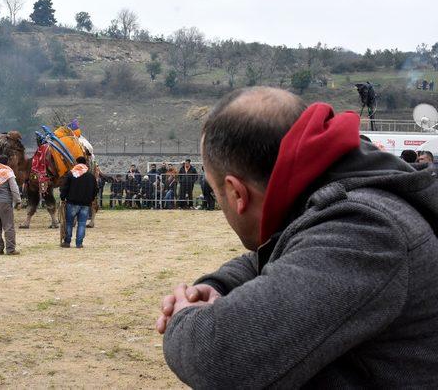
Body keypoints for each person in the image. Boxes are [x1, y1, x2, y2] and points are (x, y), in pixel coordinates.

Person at [156, 87, 438, 388]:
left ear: (237, 193)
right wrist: (215, 286)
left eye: (216, 192)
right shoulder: (343, 198)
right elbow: (278, 251)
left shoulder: (365, 230)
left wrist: (181, 316)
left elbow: (216, 356)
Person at [59, 157, 98, 248]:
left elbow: (65, 188)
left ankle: (67, 242)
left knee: (69, 223)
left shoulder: (71, 174)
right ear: (85, 164)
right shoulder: (91, 176)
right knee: (82, 223)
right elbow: (95, 190)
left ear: (76, 163)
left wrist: (62, 197)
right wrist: (90, 199)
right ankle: (79, 243)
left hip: (72, 203)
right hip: (85, 204)